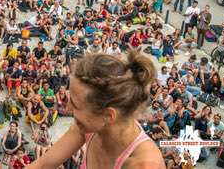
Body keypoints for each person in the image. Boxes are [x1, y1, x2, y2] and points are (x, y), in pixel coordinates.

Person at [26, 51, 166, 169]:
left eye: (75, 104)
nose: (67, 108)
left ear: (108, 115)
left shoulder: (143, 164)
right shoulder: (89, 127)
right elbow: (42, 164)